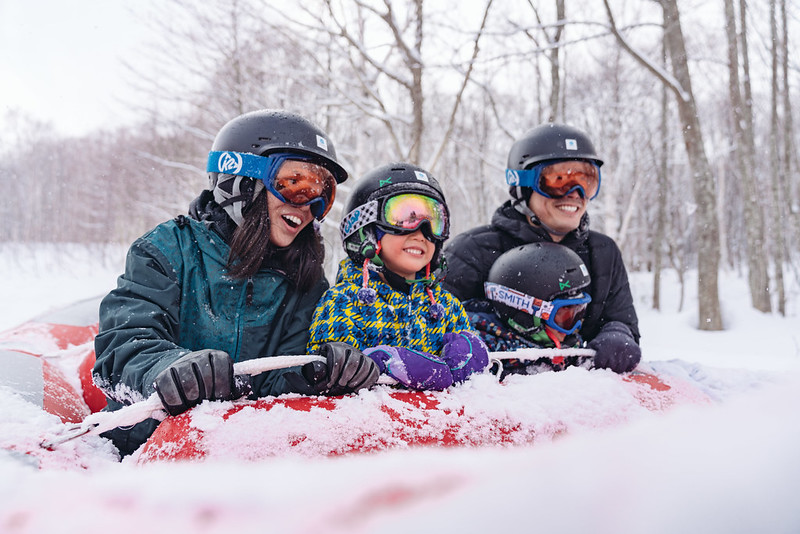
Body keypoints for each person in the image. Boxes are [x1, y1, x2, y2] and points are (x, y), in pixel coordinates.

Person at [93, 109, 379, 456]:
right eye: (295, 184)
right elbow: (123, 347)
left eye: (322, 193)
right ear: (240, 179)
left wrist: (315, 375)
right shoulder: (169, 249)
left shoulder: (304, 279)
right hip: (141, 453)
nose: (309, 205)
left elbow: (273, 381)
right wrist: (169, 368)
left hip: (235, 462)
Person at [443, 123, 641, 374]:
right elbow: (433, 324)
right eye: (558, 180)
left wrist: (618, 333)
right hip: (501, 397)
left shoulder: (603, 252)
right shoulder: (473, 250)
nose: (574, 194)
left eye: (585, 181)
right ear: (523, 184)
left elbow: (621, 319)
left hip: (581, 393)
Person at [295, 162, 489, 393]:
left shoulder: (446, 307)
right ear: (365, 230)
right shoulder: (344, 302)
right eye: (405, 218)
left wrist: (473, 360)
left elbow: (471, 393)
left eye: (434, 222)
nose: (421, 233)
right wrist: (377, 366)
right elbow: (327, 388)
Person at [468, 242, 594, 377]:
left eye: (579, 313)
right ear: (525, 316)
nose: (575, 327)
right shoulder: (485, 352)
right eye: (565, 317)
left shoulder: (571, 348)